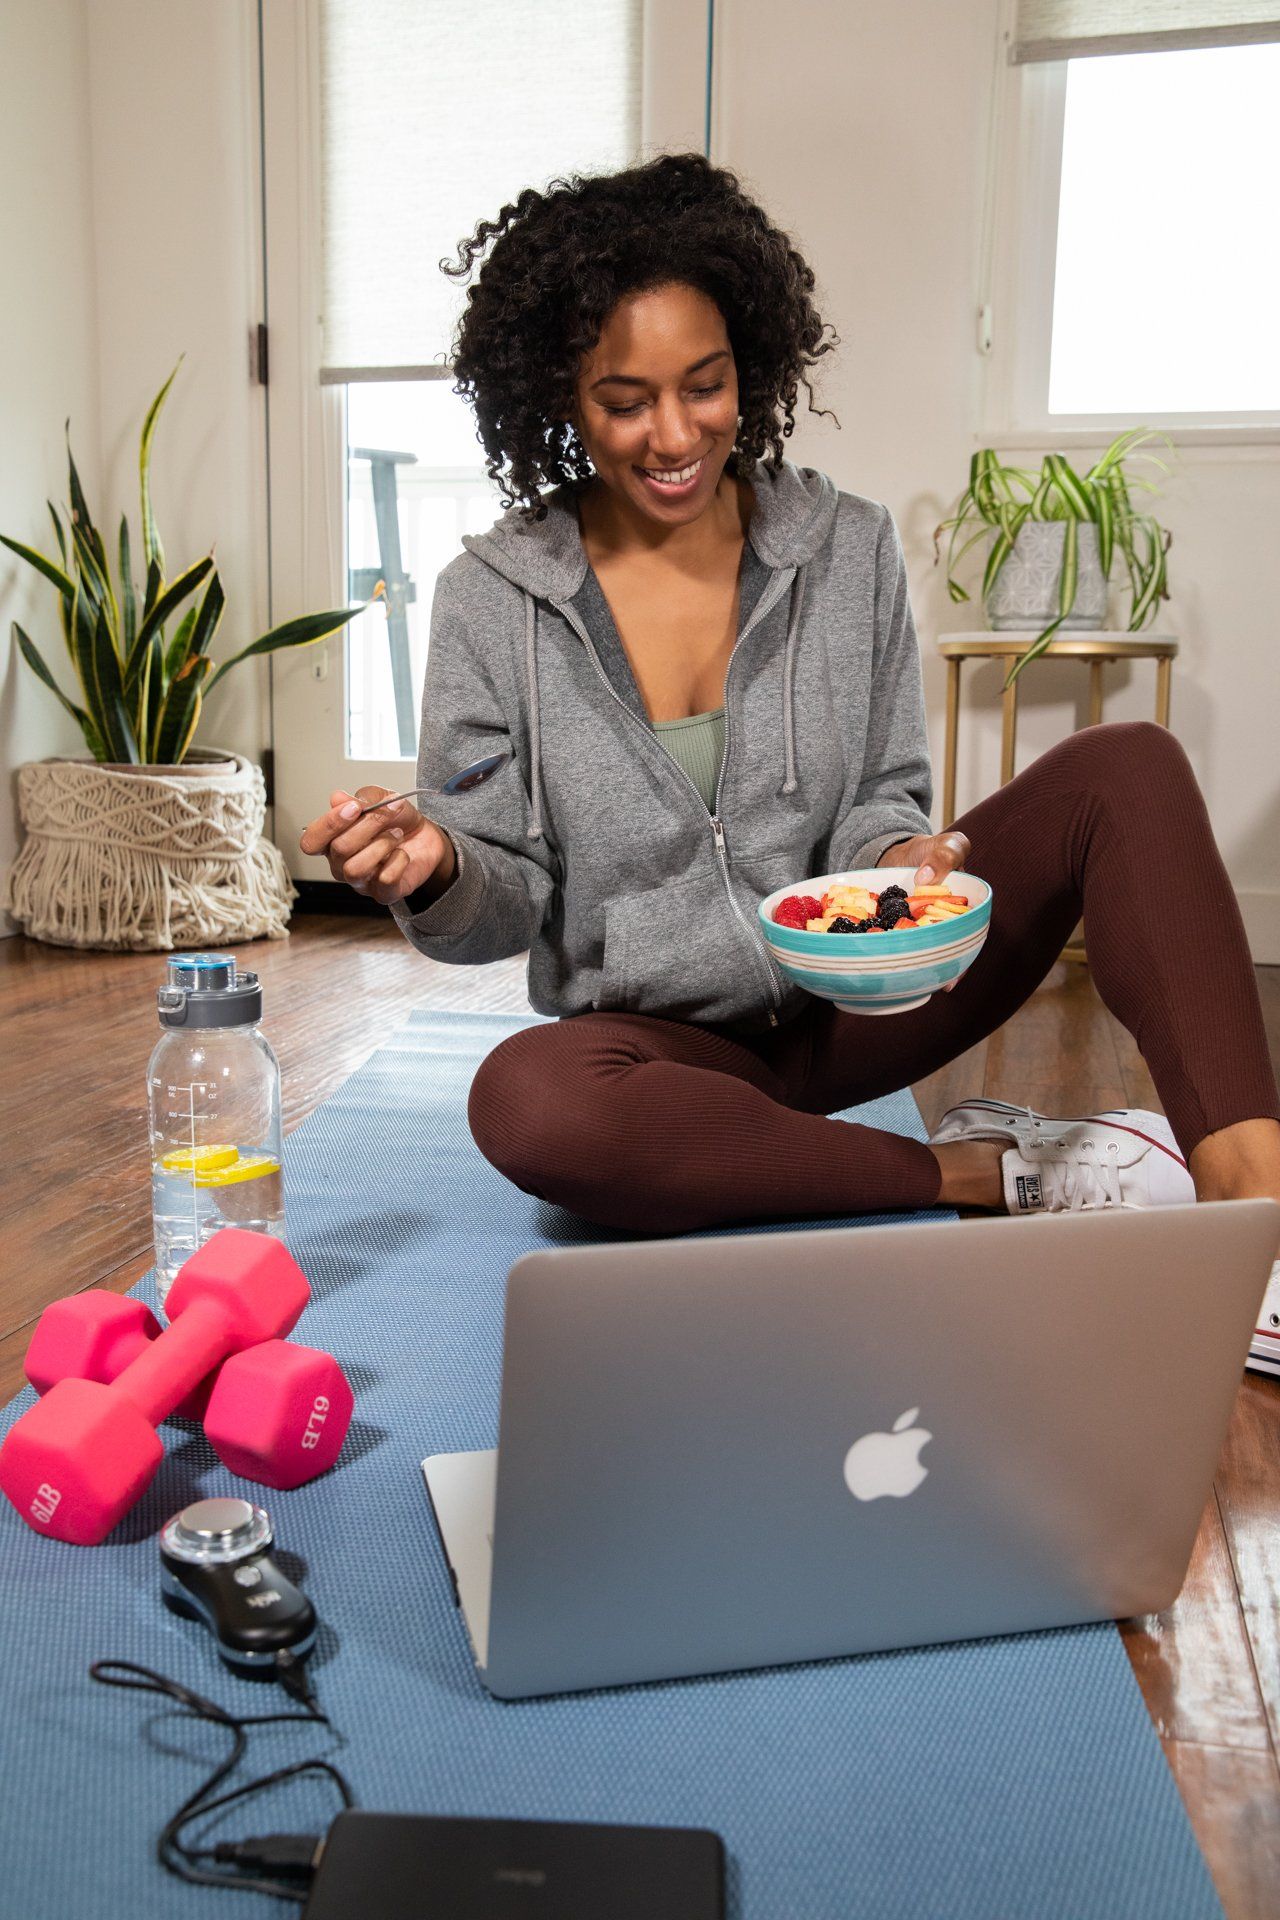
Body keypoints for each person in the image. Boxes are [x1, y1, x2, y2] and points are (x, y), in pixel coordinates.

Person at [300, 152, 1280, 1246]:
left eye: (703, 386)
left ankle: (1252, 1203)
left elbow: (880, 791)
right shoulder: (490, 601)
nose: (673, 438)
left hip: (867, 998)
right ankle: (976, 1173)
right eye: (624, 403)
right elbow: (501, 907)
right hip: (662, 1053)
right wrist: (434, 869)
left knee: (1125, 767)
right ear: (559, 399)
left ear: (751, 370)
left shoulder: (844, 546)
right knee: (526, 1102)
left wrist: (902, 854)